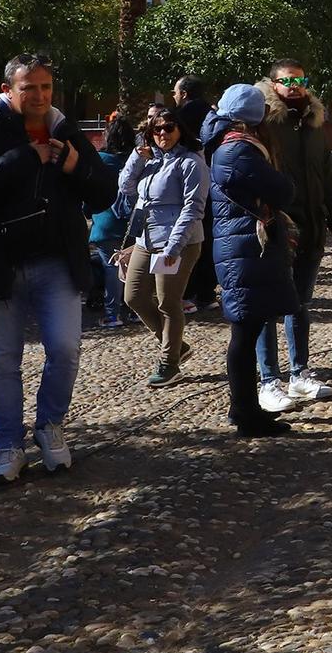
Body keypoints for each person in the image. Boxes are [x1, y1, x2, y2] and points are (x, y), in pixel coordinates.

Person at [0, 54, 117, 484]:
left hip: (56, 260)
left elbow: (104, 192)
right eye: (30, 88)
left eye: (46, 87)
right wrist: (25, 156)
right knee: (3, 360)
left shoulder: (64, 127)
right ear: (9, 89)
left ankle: (49, 426)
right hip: (0, 262)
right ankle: (8, 445)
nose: (40, 96)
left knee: (65, 348)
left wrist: (74, 167)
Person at [250, 59, 332, 413]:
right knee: (267, 307)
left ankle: (300, 373)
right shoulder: (264, 122)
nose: (295, 85)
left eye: (300, 80)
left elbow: (327, 178)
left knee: (299, 304)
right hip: (276, 226)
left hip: (312, 226)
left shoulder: (314, 124)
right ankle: (268, 380)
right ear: (273, 84)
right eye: (287, 80)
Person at [204, 83, 299, 437]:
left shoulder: (231, 146)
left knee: (249, 327)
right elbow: (283, 189)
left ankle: (246, 407)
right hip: (243, 251)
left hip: (243, 247)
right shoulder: (238, 151)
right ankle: (244, 412)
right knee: (244, 333)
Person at [117, 109, 210, 386]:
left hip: (177, 241)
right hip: (145, 239)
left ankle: (169, 362)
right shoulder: (151, 161)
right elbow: (126, 187)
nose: (162, 134)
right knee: (133, 297)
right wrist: (137, 156)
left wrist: (173, 247)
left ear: (180, 130)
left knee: (168, 302)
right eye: (156, 129)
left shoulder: (191, 163)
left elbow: (193, 208)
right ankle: (178, 346)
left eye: (169, 128)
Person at [173, 76, 219, 311]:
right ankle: (207, 292)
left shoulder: (180, 117)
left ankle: (186, 292)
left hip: (186, 183)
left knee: (186, 237)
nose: (174, 96)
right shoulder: (216, 115)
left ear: (184, 93)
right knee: (208, 237)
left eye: (175, 92)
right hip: (214, 183)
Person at [88, 118, 138, 328]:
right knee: (134, 268)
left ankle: (112, 314)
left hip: (106, 221)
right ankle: (135, 310)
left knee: (111, 268)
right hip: (133, 221)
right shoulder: (137, 160)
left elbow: (89, 192)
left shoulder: (99, 160)